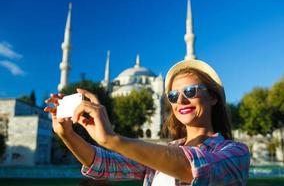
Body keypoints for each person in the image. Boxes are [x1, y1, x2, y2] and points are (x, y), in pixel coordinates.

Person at [44, 59, 250, 185]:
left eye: (190, 91)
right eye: (172, 95)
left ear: (213, 97)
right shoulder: (163, 153)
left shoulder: (235, 153)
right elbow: (105, 164)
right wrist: (67, 135)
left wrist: (113, 139)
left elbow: (194, 169)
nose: (180, 100)